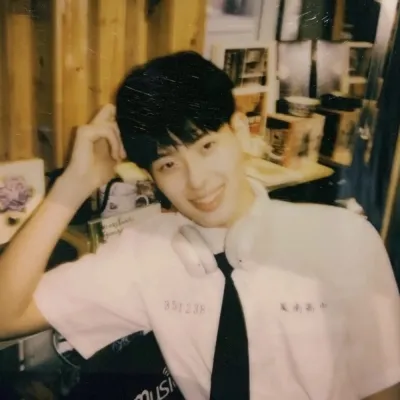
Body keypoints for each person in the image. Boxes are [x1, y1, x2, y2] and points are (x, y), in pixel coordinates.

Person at [0, 51, 399, 400]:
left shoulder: (342, 239)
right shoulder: (144, 254)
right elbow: (6, 318)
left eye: (207, 146)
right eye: (168, 164)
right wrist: (73, 185)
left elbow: (384, 389)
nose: (197, 181)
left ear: (239, 131)